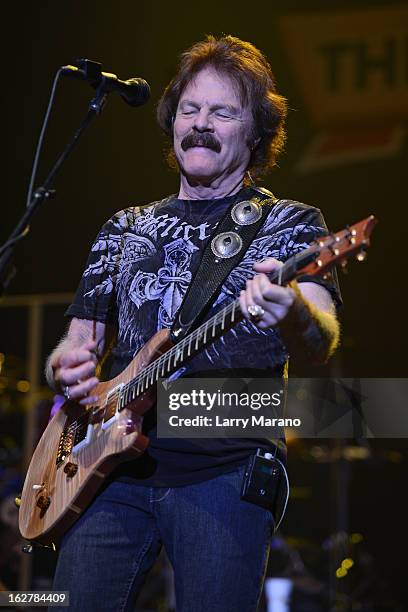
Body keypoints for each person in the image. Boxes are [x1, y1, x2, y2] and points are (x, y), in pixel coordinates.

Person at [46, 35, 341, 612]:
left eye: (223, 112)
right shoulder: (125, 226)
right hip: (110, 472)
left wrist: (295, 313)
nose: (201, 124)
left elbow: (321, 340)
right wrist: (66, 367)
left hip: (224, 469)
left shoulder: (290, 225)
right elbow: (78, 346)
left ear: (254, 132)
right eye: (190, 109)